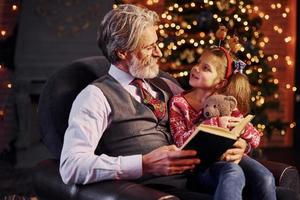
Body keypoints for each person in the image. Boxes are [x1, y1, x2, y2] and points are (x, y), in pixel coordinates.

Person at [59, 4, 214, 199]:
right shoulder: (95, 96)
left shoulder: (166, 85)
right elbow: (71, 166)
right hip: (159, 191)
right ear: (122, 53)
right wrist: (143, 163)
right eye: (149, 47)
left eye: (157, 44)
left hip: (201, 178)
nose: (159, 53)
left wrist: (237, 145)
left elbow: (204, 119)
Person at [169, 47, 276, 200]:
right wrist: (214, 123)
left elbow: (255, 137)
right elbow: (180, 141)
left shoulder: (224, 103)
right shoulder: (179, 103)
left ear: (220, 83)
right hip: (201, 164)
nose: (196, 68)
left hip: (228, 156)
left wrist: (243, 142)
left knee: (266, 177)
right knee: (233, 172)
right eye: (199, 63)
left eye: (205, 68)